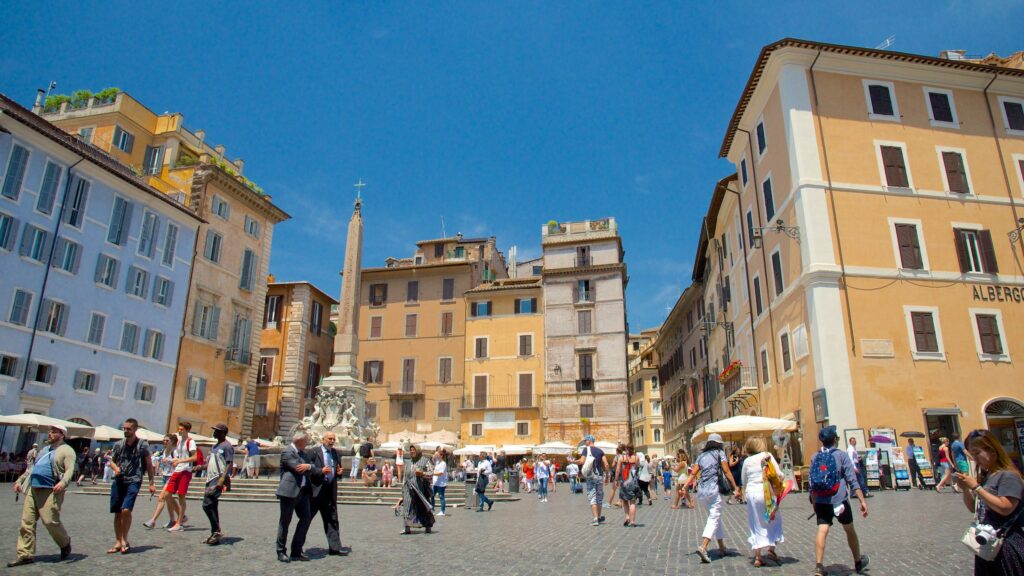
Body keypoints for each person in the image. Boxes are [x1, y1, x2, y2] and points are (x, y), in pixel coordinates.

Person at [954, 429, 1024, 575]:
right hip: (988, 544)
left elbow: (1006, 507)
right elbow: (973, 508)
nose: (974, 458)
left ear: (992, 450)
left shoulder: (1008, 476)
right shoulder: (989, 476)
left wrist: (976, 487)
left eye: (977, 453)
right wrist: (966, 489)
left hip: (1007, 543)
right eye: (972, 454)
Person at [8, 425, 76, 567]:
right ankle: (25, 554)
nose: (50, 434)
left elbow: (70, 469)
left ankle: (65, 542)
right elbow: (32, 468)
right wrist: (19, 480)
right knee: (27, 522)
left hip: (51, 490)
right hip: (33, 489)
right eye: (49, 431)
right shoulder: (44, 450)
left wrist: (63, 483)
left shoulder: (67, 450)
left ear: (62, 435)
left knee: (50, 521)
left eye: (53, 432)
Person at [812, 426, 869, 576]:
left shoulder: (815, 457)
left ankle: (819, 566)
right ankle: (857, 561)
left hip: (821, 501)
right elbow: (852, 480)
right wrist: (862, 501)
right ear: (835, 440)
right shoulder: (842, 456)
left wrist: (814, 502)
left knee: (822, 529)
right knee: (849, 529)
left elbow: (813, 484)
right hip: (840, 500)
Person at [108, 418, 156, 555]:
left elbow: (148, 464)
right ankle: (118, 541)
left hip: (134, 479)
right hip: (119, 479)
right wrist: (116, 468)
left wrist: (151, 483)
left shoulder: (142, 445)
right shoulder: (118, 444)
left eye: (128, 429)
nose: (125, 431)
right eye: (124, 428)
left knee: (126, 510)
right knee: (117, 512)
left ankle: (125, 540)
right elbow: (112, 461)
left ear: (135, 429)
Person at [694, 433, 741, 563]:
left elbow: (694, 472)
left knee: (716, 517)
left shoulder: (701, 455)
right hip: (714, 490)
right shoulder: (719, 453)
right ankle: (703, 546)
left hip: (702, 492)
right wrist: (735, 487)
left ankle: (721, 546)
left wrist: (685, 487)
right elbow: (726, 471)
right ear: (719, 443)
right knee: (714, 518)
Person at [276, 431, 319, 562]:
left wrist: (309, 466)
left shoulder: (303, 454)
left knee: (306, 519)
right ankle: (281, 551)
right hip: (289, 492)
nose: (307, 444)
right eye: (306, 441)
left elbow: (313, 466)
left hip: (303, 493)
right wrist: (308, 466)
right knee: (285, 521)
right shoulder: (287, 451)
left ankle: (296, 550)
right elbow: (298, 467)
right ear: (300, 441)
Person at [742, 437, 785, 568]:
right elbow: (778, 474)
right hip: (766, 492)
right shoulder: (767, 456)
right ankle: (771, 549)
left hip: (752, 493)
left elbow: (744, 480)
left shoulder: (747, 461)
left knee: (755, 522)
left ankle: (758, 557)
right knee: (774, 519)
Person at [307, 431, 349, 557]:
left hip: (329, 491)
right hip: (316, 491)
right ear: (322, 440)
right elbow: (307, 468)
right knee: (305, 520)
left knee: (332, 519)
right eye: (329, 438)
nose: (332, 441)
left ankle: (335, 547)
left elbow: (337, 469)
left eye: (333, 439)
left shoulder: (335, 453)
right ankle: (296, 548)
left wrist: (339, 473)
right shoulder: (313, 452)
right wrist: (321, 471)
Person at [161, 422, 198, 532]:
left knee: (181, 495)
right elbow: (177, 457)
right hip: (177, 470)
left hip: (186, 471)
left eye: (181, 429)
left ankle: (179, 523)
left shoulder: (190, 442)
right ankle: (182, 517)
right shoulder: (179, 442)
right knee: (167, 494)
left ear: (187, 430)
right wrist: (169, 460)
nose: (179, 431)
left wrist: (181, 461)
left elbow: (195, 457)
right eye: (179, 429)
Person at [202, 423, 234, 545]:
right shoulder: (215, 446)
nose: (214, 432)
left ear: (223, 433)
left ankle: (216, 531)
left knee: (207, 504)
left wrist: (222, 480)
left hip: (218, 478)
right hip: (210, 478)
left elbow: (229, 463)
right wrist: (199, 467)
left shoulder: (227, 446)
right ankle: (215, 532)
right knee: (212, 505)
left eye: (216, 431)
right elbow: (211, 462)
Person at [143, 435, 178, 530]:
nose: (164, 442)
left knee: (161, 497)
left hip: (172, 476)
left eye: (167, 440)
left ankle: (153, 521)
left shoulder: (174, 451)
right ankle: (176, 519)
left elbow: (179, 460)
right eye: (164, 440)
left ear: (172, 441)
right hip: (165, 476)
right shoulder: (163, 451)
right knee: (168, 499)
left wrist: (169, 460)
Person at [398, 445, 435, 533]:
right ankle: (407, 527)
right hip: (408, 488)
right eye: (411, 450)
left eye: (414, 450)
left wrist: (422, 473)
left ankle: (427, 526)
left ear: (417, 450)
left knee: (423, 507)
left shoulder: (425, 461)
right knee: (407, 506)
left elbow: (431, 473)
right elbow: (404, 476)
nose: (412, 451)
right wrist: (403, 488)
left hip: (421, 489)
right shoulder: (407, 462)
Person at [575, 435, 610, 526]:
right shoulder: (600, 451)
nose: (585, 442)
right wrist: (607, 477)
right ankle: (598, 517)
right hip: (600, 476)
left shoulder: (586, 449)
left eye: (585, 440)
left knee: (592, 496)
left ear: (590, 440)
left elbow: (581, 461)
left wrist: (572, 461)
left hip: (591, 476)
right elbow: (606, 465)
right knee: (599, 497)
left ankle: (595, 519)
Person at [616, 444, 640, 527]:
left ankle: (627, 517)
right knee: (633, 502)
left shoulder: (621, 458)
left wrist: (616, 479)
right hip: (633, 481)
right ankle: (633, 521)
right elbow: (637, 468)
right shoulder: (636, 458)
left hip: (624, 481)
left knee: (625, 500)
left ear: (626, 449)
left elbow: (618, 470)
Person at [431, 451, 448, 516]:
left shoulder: (443, 463)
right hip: (435, 483)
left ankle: (442, 511)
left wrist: (433, 474)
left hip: (441, 483)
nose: (437, 456)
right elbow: (433, 459)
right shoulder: (437, 462)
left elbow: (441, 473)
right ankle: (432, 509)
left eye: (438, 455)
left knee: (441, 497)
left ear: (441, 456)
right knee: (432, 495)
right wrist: (435, 454)